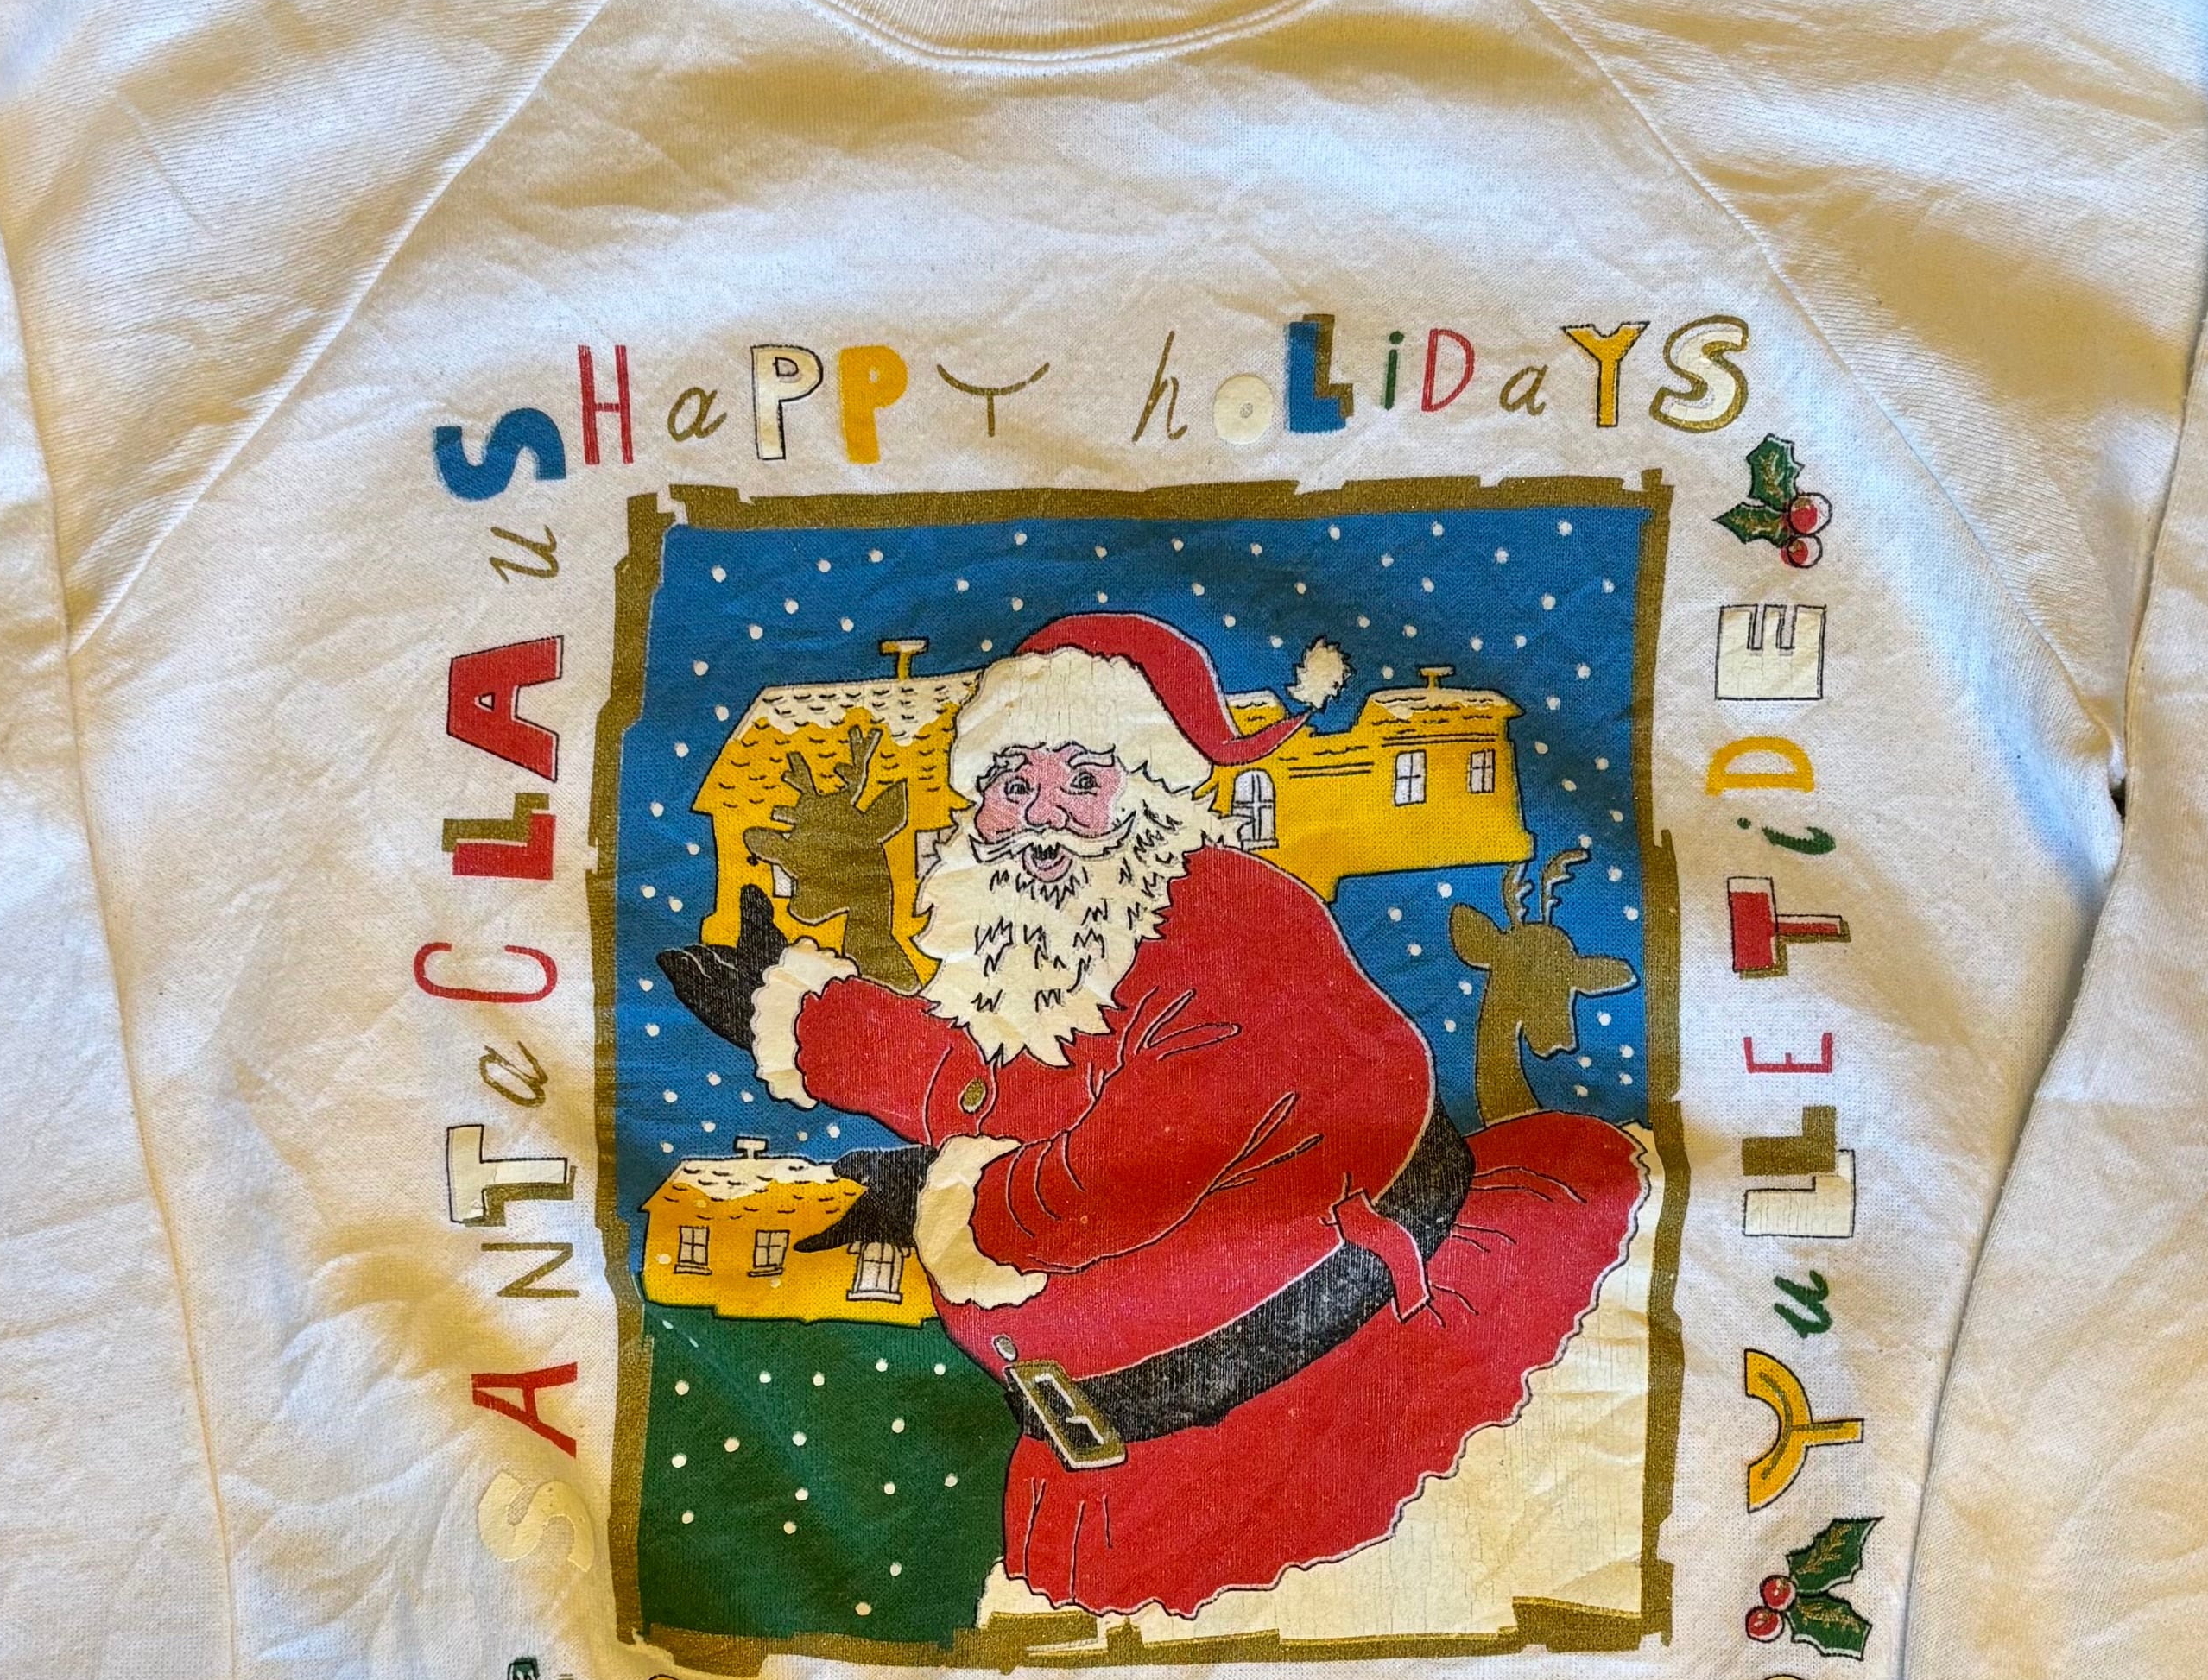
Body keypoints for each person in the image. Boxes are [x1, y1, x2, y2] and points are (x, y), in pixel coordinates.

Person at [660, 610, 1646, 1623]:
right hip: (1121, 1467)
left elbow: (1134, 1159)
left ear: (1149, 795)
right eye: (1012, 786)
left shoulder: (1223, 917)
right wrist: (814, 1019)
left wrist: (952, 1202)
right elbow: (993, 1085)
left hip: (1331, 1410)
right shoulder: (1058, 951)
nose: (1041, 820)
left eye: (1081, 783)